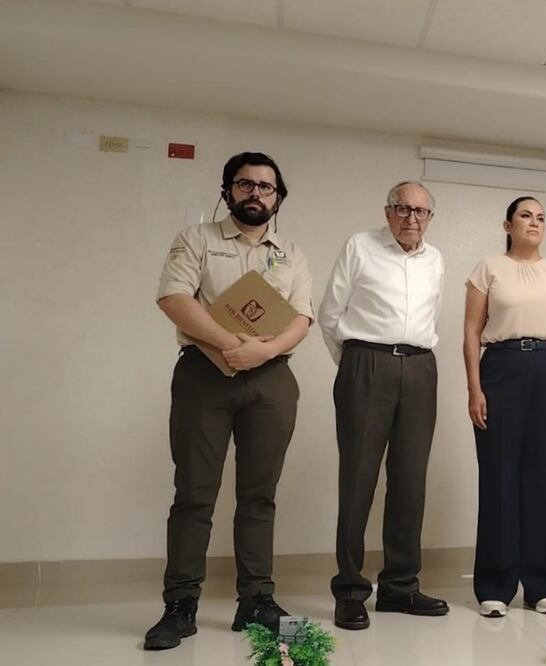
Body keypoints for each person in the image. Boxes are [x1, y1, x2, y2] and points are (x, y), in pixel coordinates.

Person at [144, 152, 313, 650]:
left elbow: (301, 319)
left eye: (266, 187)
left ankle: (256, 602)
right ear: (228, 191)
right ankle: (180, 605)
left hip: (272, 379)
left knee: (259, 496)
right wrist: (228, 344)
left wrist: (261, 349)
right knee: (194, 493)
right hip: (204, 377)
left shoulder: (292, 253)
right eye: (245, 184)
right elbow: (175, 299)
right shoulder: (196, 240)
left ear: (278, 196)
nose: (256, 193)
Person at [319, 181, 448, 631]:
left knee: (410, 480)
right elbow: (330, 314)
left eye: (421, 211)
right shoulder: (360, 246)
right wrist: (357, 363)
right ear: (388, 211)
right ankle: (351, 590)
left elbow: (430, 316)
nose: (412, 218)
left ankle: (399, 586)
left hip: (420, 368)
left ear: (430, 217)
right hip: (366, 363)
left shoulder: (435, 259)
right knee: (358, 478)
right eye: (403, 209)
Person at [462, 196, 546, 618]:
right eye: (525, 216)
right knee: (499, 475)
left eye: (540, 218)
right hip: (501, 369)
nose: (533, 223)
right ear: (507, 224)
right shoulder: (489, 269)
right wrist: (474, 389)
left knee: (544, 477)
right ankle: (495, 587)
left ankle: (541, 585)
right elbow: (470, 332)